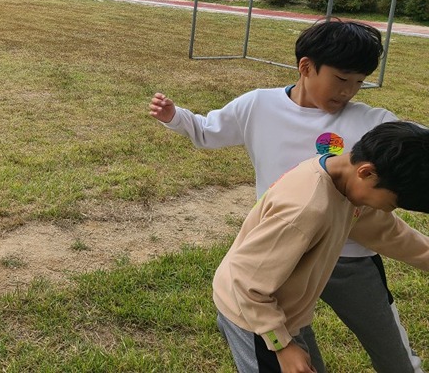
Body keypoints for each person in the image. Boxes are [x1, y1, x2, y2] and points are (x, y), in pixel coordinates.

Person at [149, 19, 423, 372]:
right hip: (286, 256)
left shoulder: (374, 122)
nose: (348, 92)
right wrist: (177, 117)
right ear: (306, 67)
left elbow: (413, 147)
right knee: (285, 339)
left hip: (352, 252)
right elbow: (207, 131)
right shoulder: (258, 106)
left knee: (391, 348)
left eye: (359, 83)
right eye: (341, 79)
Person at [212, 121, 429, 372]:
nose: (387, 210)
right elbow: (244, 281)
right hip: (253, 318)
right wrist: (282, 345)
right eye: (392, 203)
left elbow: (388, 232)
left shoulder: (344, 181)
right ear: (367, 172)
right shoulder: (306, 210)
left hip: (287, 313)